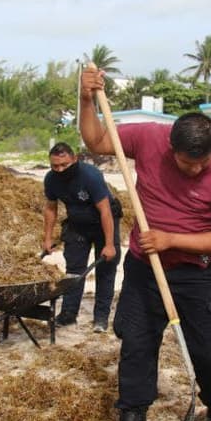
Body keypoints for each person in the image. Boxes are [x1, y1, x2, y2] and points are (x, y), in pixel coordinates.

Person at [78, 67, 211, 421]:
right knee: (136, 346)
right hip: (143, 271)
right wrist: (87, 100)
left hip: (197, 275)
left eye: (201, 162)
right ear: (171, 147)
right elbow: (97, 141)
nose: (195, 169)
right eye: (187, 163)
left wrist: (172, 240)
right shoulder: (149, 138)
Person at [42, 142, 121, 331]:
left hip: (104, 223)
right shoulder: (51, 179)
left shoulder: (90, 176)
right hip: (77, 225)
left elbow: (105, 211)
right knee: (74, 270)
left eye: (64, 165)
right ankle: (69, 314)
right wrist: (47, 238)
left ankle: (100, 318)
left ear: (74, 159)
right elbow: (51, 208)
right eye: (55, 166)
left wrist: (109, 244)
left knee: (105, 270)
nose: (60, 170)